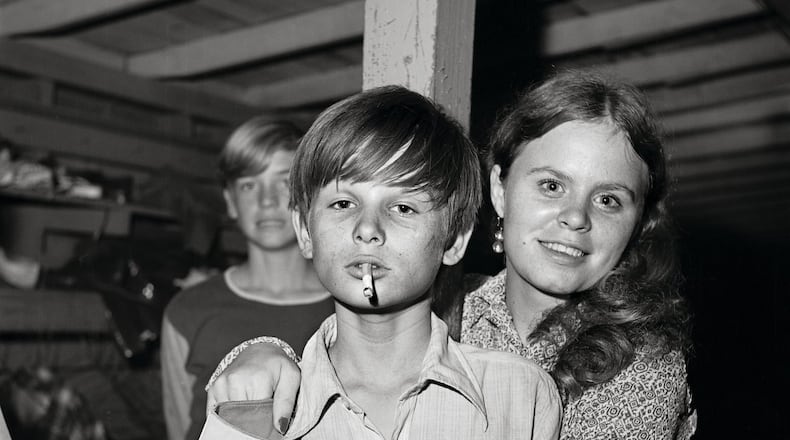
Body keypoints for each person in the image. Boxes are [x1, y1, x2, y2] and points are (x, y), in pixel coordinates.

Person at [205, 70, 695, 439]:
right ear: (499, 190)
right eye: (551, 185)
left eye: (609, 199)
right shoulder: (457, 299)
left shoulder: (643, 368)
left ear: (637, 223)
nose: (576, 217)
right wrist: (261, 353)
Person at [199, 85, 562, 439]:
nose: (367, 229)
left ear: (453, 240)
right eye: (343, 204)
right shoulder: (261, 405)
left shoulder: (521, 395)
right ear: (305, 231)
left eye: (403, 207)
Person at [161, 118, 334, 440]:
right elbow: (178, 425)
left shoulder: (350, 305)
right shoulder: (187, 310)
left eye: (283, 181)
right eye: (249, 185)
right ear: (230, 201)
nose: (266, 200)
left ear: (308, 196)